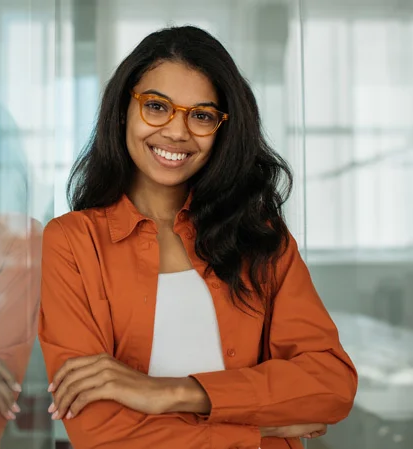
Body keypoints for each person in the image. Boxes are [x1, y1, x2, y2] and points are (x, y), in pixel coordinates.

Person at [38, 26, 357, 448]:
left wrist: (167, 393)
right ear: (122, 112)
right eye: (156, 106)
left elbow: (331, 384)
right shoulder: (72, 243)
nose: (176, 132)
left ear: (223, 130)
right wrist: (257, 427)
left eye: (202, 115)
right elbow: (99, 430)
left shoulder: (261, 237)